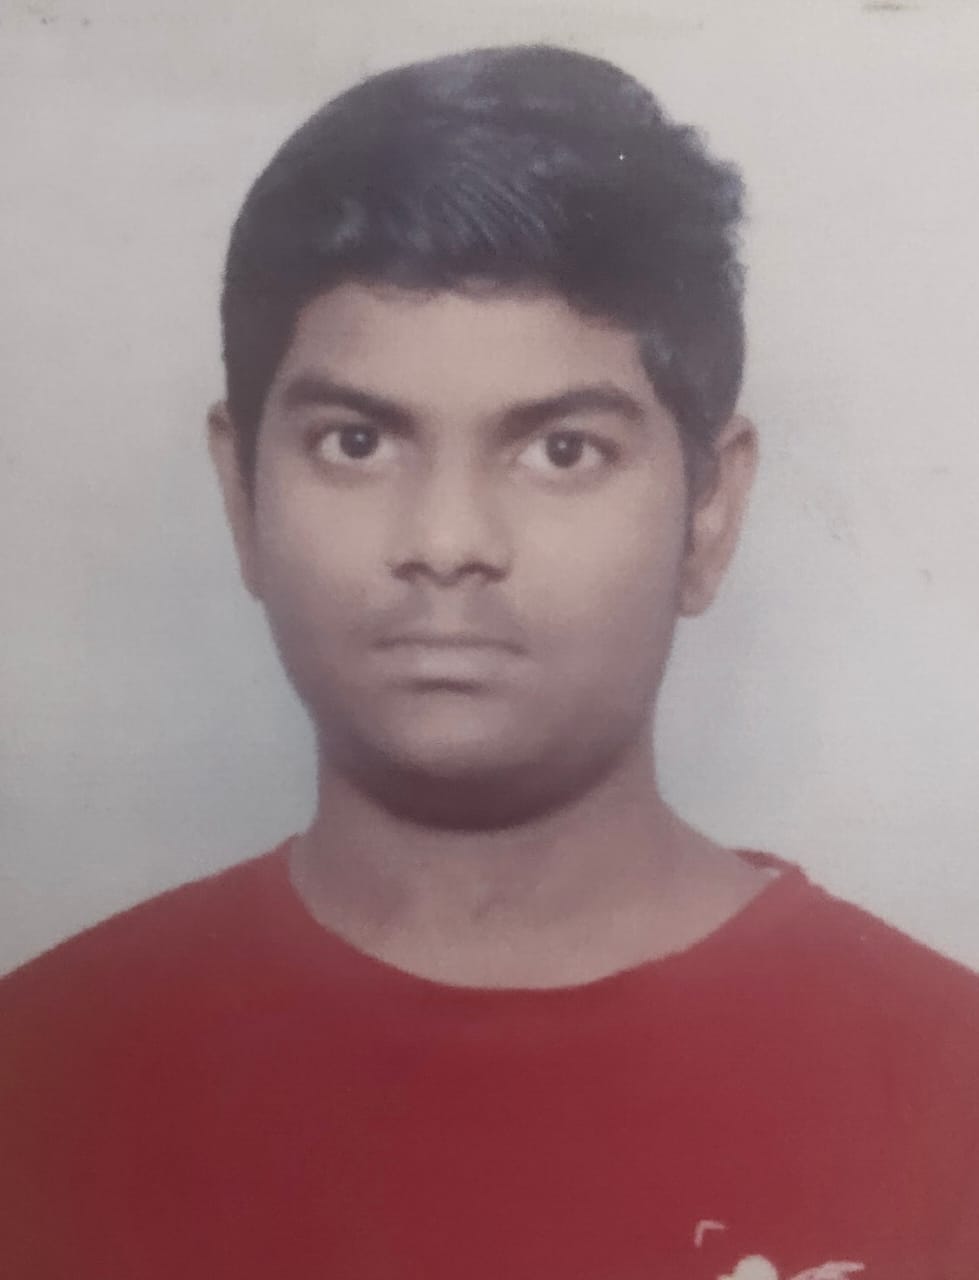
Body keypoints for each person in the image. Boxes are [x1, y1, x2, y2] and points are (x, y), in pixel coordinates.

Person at [1, 43, 977, 1280]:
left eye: (561, 450)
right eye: (357, 441)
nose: (448, 539)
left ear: (709, 511)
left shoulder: (947, 1097)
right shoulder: (39, 1074)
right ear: (242, 493)